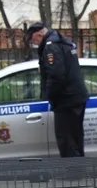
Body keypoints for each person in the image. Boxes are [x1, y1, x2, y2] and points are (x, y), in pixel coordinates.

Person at [25, 22, 89, 158]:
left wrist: (50, 96)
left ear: (39, 34)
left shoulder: (51, 46)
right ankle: (79, 170)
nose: (34, 43)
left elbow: (56, 75)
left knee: (66, 140)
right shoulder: (61, 41)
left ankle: (73, 174)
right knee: (75, 138)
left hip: (65, 100)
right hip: (75, 97)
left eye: (33, 39)